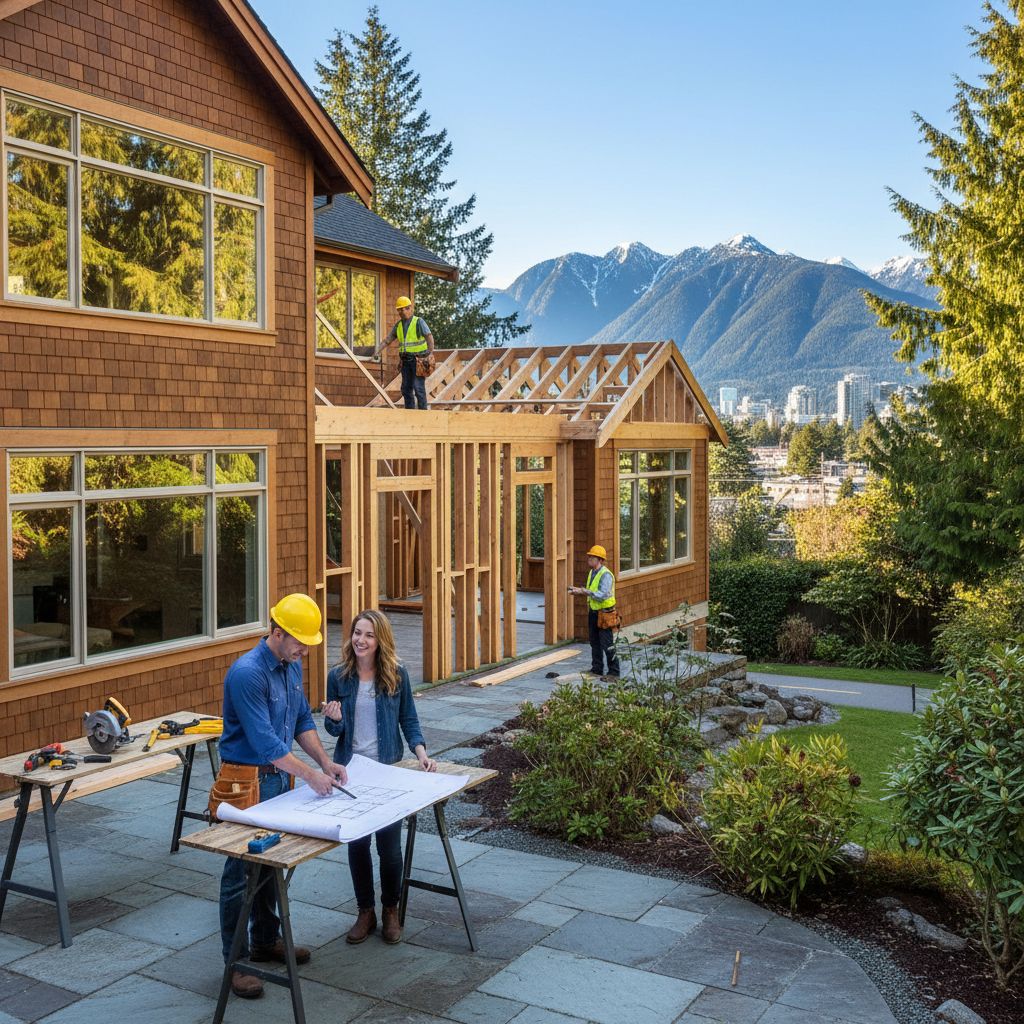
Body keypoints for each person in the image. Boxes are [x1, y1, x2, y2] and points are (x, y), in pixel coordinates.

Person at [215, 593, 349, 1000]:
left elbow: (301, 720)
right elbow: (266, 741)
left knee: (271, 865)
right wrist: (310, 776)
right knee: (239, 875)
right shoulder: (248, 674)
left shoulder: (291, 666)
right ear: (276, 632)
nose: (304, 649)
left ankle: (265, 940)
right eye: (298, 642)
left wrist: (325, 763)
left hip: (277, 780)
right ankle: (235, 964)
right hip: (245, 781)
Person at [322, 609, 436, 945]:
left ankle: (390, 910)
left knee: (389, 848)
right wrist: (335, 719)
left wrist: (421, 754)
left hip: (387, 771)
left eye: (369, 635)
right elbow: (333, 729)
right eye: (357, 632)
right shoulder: (338, 676)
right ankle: (365, 912)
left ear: (380, 640)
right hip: (352, 773)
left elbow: (409, 720)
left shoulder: (396, 674)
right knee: (357, 845)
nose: (361, 640)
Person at [569, 544, 621, 679]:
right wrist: (579, 591)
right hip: (594, 612)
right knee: (594, 642)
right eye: (590, 557)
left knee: (607, 644)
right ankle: (597, 669)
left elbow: (602, 594)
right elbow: (592, 592)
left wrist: (584, 591)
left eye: (592, 557)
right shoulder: (592, 572)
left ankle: (614, 672)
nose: (589, 559)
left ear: (600, 560)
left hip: (605, 614)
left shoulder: (606, 575)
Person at [383, 295, 434, 410]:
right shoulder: (399, 326)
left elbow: (429, 337)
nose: (402, 311)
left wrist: (429, 354)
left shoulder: (418, 322)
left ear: (410, 308)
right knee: (406, 389)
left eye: (405, 308)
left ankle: (422, 413)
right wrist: (376, 352)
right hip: (406, 361)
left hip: (418, 361)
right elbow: (387, 341)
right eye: (400, 309)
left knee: (418, 388)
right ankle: (409, 413)